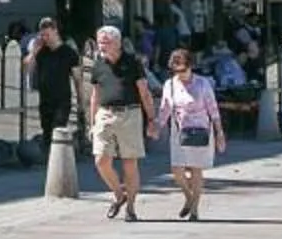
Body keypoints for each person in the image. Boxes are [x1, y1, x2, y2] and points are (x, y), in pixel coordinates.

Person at [81, 23, 158, 221]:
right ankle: (118, 194)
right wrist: (91, 123)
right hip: (105, 114)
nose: (101, 46)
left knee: (129, 163)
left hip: (130, 114)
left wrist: (151, 119)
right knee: (101, 160)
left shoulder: (132, 62)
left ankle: (130, 207)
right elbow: (95, 95)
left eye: (106, 42)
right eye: (100, 42)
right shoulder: (98, 64)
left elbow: (144, 92)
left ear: (117, 43)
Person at [160, 47, 224, 220]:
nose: (180, 74)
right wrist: (157, 126)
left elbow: (213, 109)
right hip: (179, 130)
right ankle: (189, 196)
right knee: (177, 170)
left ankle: (194, 209)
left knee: (196, 169)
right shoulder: (170, 85)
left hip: (200, 129)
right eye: (177, 71)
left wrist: (219, 132)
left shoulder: (203, 83)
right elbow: (165, 108)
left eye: (183, 70)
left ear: (190, 67)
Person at [24, 20, 80, 150]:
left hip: (62, 100)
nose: (45, 38)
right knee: (47, 132)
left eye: (47, 35)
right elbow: (27, 68)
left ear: (55, 32)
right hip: (45, 99)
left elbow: (77, 78)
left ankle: (59, 156)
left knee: (58, 129)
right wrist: (34, 51)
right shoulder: (42, 52)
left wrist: (80, 100)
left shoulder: (68, 53)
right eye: (42, 35)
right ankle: (49, 156)